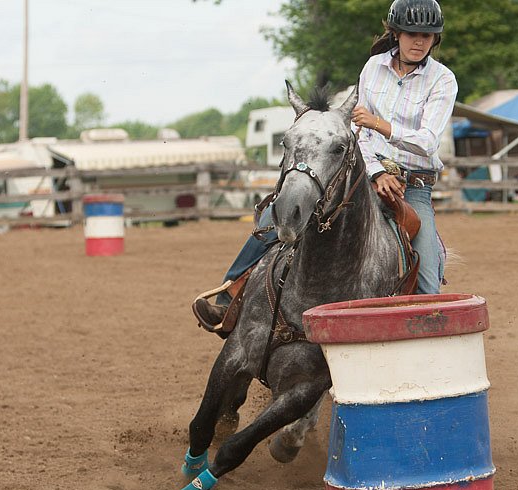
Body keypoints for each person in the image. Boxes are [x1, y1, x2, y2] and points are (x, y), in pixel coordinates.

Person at [193, 0, 457, 330]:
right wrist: (375, 171)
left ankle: (427, 334)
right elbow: (354, 131)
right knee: (277, 215)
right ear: (396, 34)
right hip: (363, 175)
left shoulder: (443, 80)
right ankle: (229, 298)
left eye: (426, 36)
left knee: (428, 269)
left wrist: (380, 125)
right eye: (410, 34)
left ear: (435, 40)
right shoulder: (373, 68)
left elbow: (427, 141)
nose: (418, 42)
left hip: (413, 184)